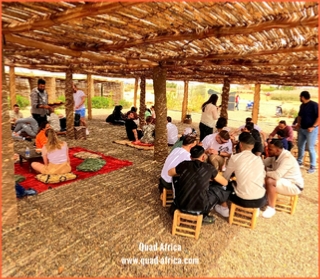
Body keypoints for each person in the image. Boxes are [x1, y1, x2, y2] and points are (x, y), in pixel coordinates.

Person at [168, 145, 230, 223]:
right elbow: (225, 182)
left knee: (175, 179)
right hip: (201, 207)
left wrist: (185, 174)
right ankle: (204, 215)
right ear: (203, 157)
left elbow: (170, 173)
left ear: (190, 157)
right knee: (218, 188)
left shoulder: (184, 165)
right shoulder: (208, 168)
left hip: (181, 205)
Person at [262, 139, 304, 218]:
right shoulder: (275, 155)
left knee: (270, 181)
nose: (268, 151)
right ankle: (264, 200)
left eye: (270, 149)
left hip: (294, 186)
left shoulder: (287, 158)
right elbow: (263, 162)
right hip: (284, 181)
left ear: (277, 150)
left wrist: (263, 173)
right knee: (267, 178)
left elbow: (277, 175)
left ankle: (271, 208)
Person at [224, 132, 266, 209]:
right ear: (253, 147)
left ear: (240, 145)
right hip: (260, 200)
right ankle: (257, 209)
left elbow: (225, 177)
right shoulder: (258, 159)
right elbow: (263, 176)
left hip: (242, 200)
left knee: (227, 184)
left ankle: (223, 207)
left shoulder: (235, 158)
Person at [296, 91, 318, 174]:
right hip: (302, 129)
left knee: (310, 147)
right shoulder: (302, 105)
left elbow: (318, 117)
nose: (300, 98)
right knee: (300, 145)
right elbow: (299, 116)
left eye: (300, 97)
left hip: (311, 130)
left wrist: (313, 126)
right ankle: (299, 161)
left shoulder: (314, 105)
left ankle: (313, 166)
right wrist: (298, 124)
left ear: (302, 97)